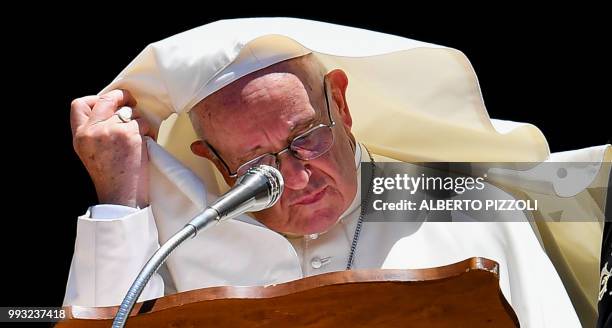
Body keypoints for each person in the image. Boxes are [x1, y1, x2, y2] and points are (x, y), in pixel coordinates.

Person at [64, 18, 608, 327]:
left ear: (341, 106)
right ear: (215, 162)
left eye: (307, 139)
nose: (297, 179)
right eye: (256, 164)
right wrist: (119, 198)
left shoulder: (459, 203)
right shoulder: (176, 241)